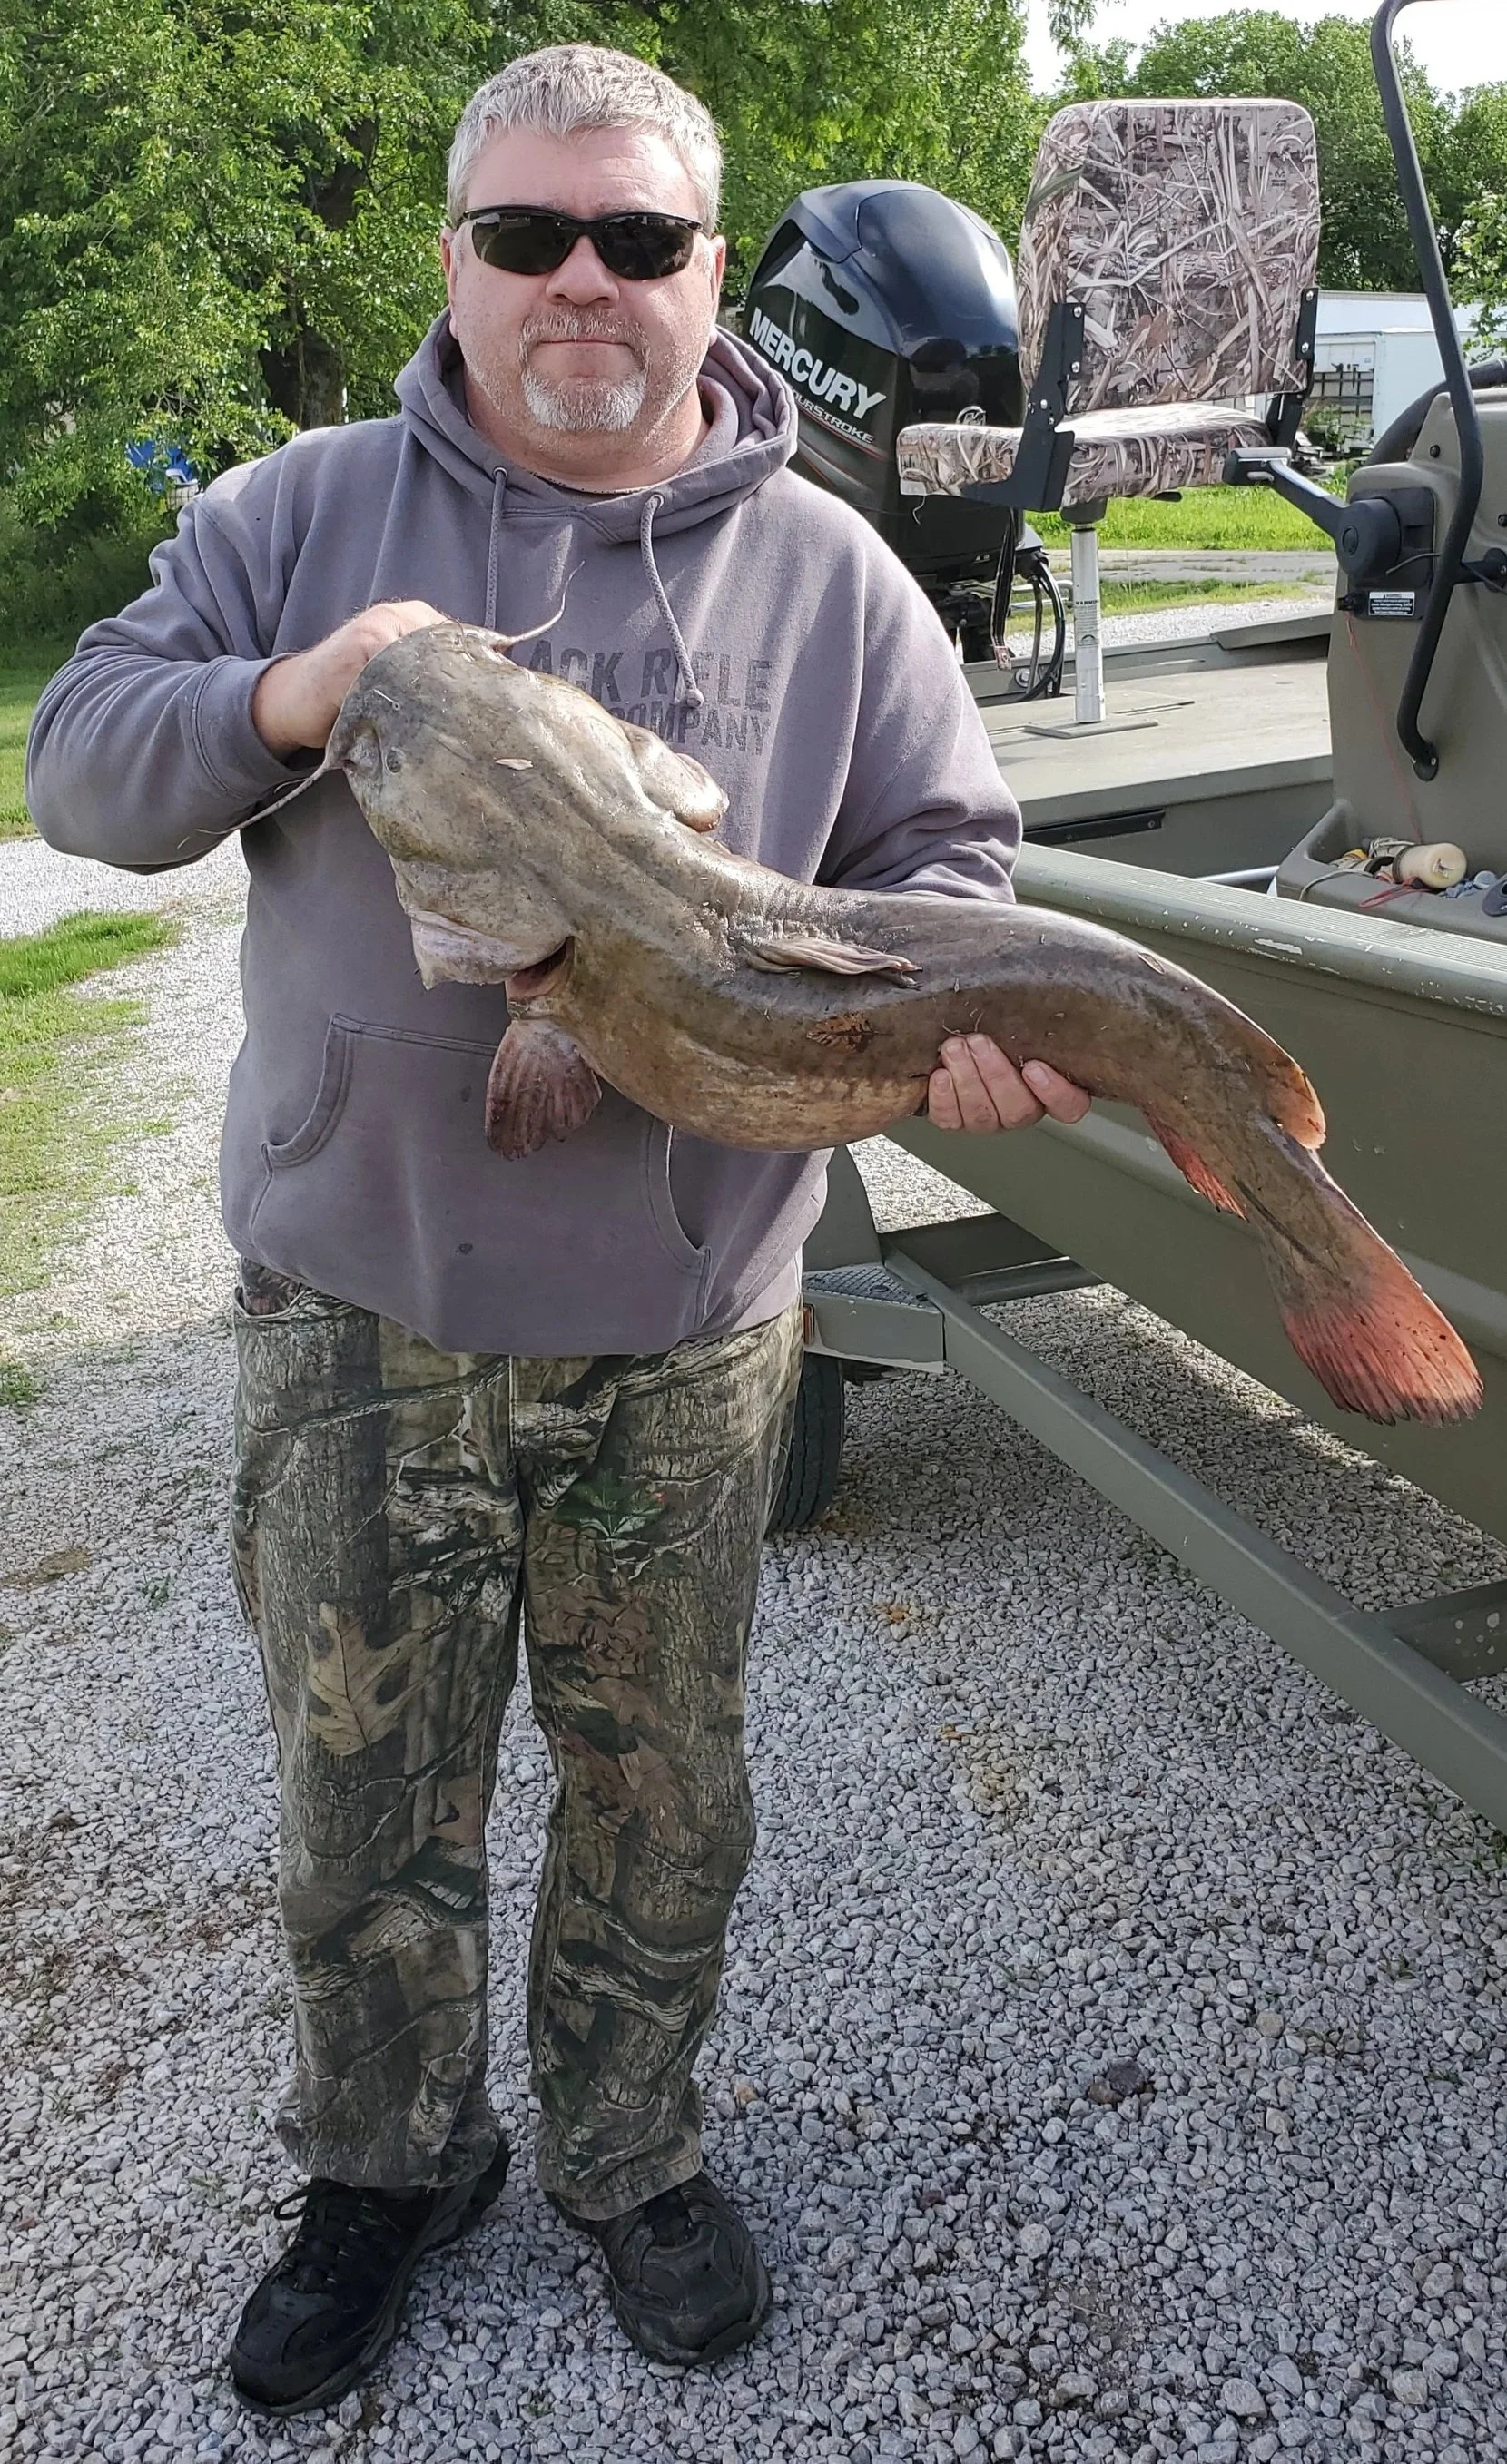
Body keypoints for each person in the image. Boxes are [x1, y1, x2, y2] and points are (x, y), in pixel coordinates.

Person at [26, 42, 1090, 2415]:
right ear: (457, 262)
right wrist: (298, 689)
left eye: (635, 238)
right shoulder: (301, 511)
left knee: (657, 1781)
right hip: (355, 1305)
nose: (580, 282)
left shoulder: (827, 564)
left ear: (712, 270)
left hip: (690, 1323)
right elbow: (79, 759)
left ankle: (628, 2151)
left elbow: (949, 862)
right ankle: (389, 2169)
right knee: (366, 1789)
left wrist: (964, 1011)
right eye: (527, 236)